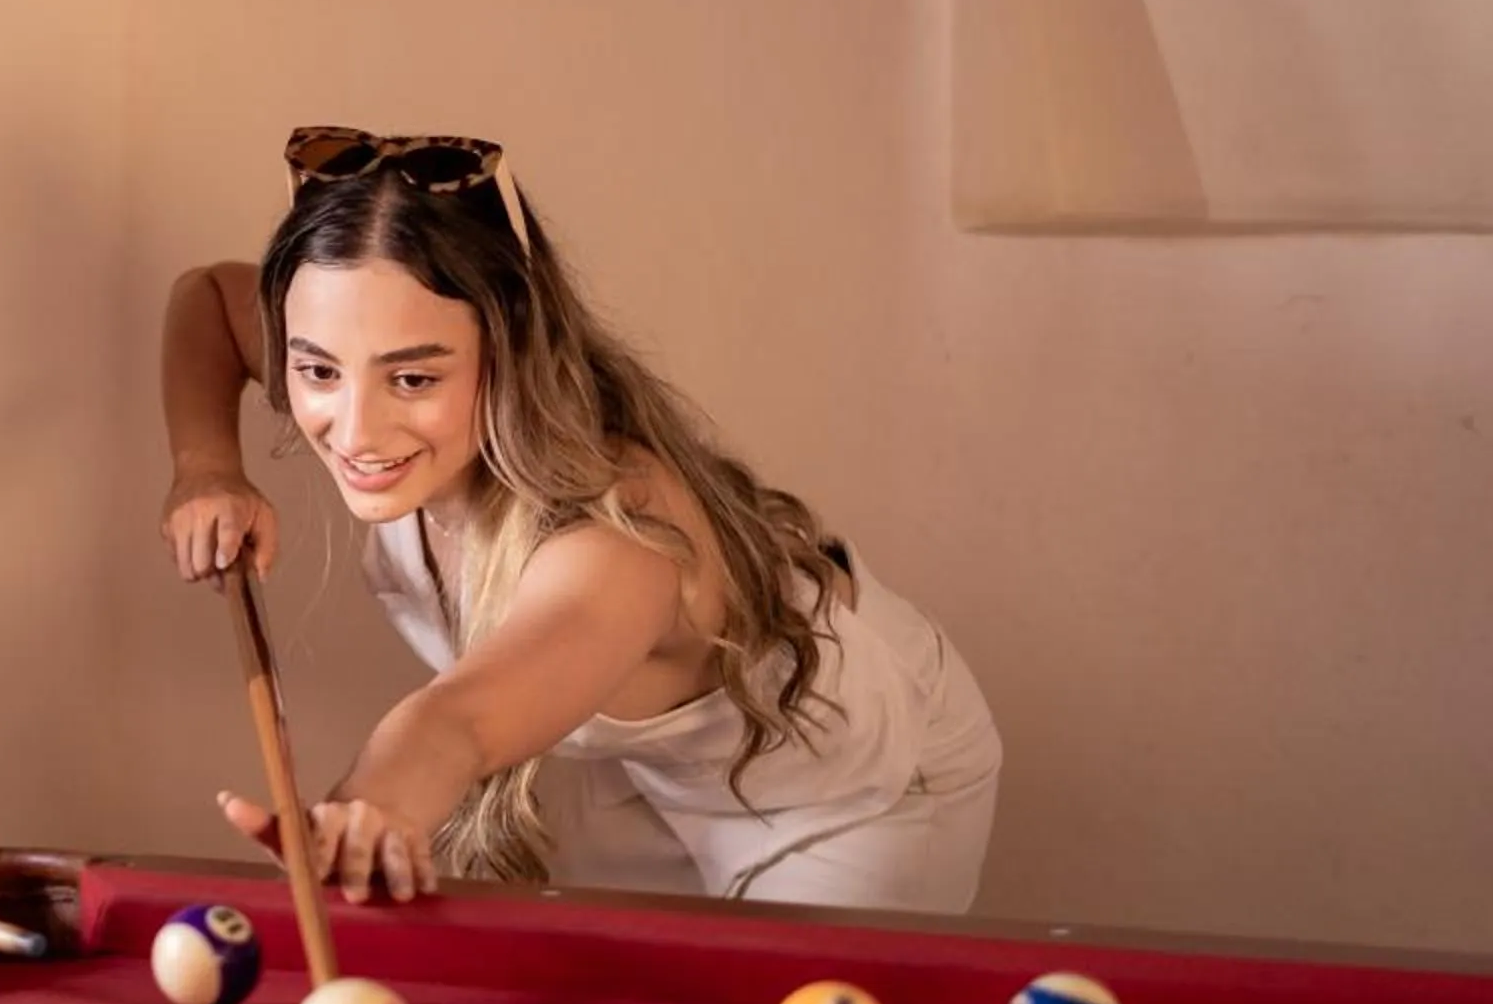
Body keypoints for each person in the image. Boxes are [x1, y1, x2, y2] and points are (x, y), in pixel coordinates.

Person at [158, 127, 1000, 912]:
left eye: (413, 380)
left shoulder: (620, 534)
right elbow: (207, 299)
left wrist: (369, 806)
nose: (355, 429)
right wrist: (206, 469)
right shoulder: (351, 369)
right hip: (646, 768)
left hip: (838, 772)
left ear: (513, 356)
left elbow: (461, 718)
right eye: (317, 370)